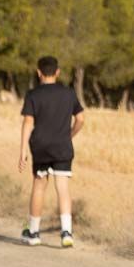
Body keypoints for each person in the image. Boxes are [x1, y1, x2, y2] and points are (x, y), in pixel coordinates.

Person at [18, 55, 85, 247]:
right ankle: (66, 232)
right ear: (58, 72)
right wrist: (69, 135)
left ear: (38, 72)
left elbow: (28, 123)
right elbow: (80, 119)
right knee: (62, 188)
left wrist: (23, 150)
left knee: (39, 186)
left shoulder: (33, 95)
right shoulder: (69, 93)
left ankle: (33, 232)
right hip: (62, 146)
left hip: (40, 147)